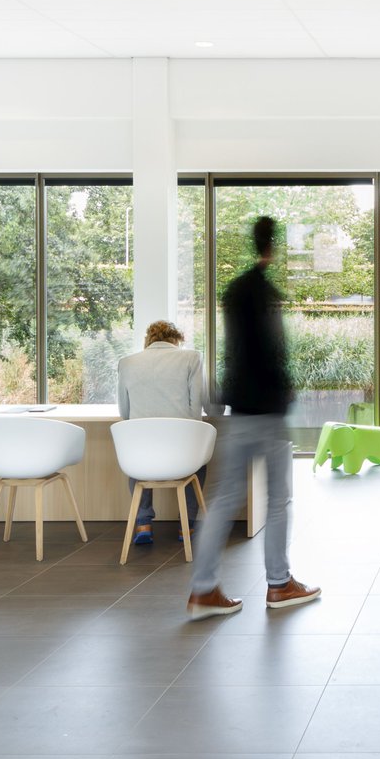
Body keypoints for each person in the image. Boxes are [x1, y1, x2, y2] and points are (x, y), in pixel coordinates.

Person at [187, 216, 319, 618]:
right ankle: (279, 584)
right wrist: (286, 392)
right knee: (279, 500)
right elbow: (271, 352)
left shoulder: (234, 290)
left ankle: (203, 590)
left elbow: (236, 353)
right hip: (266, 410)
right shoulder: (263, 293)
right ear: (273, 247)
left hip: (238, 409)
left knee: (224, 500)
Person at [115, 320, 212, 547]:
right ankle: (186, 525)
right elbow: (197, 408)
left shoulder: (127, 363)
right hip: (181, 456)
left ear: (148, 340)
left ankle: (143, 523)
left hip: (141, 458)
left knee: (137, 454)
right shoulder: (192, 358)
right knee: (197, 460)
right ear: (176, 340)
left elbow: (125, 413)